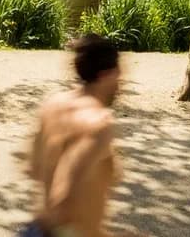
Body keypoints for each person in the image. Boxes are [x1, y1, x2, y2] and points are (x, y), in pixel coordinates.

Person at [22, 34, 136, 237]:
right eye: (119, 76)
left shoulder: (53, 105)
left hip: (35, 229)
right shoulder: (98, 122)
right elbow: (63, 197)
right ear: (105, 75)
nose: (121, 85)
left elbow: (32, 168)